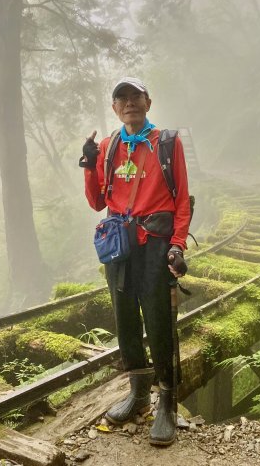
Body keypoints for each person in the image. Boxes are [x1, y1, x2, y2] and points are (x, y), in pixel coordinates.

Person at [80, 76, 190, 446]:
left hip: (156, 245)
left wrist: (177, 246)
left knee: (159, 320)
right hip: (118, 245)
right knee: (125, 318)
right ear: (114, 108)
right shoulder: (110, 147)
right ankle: (139, 394)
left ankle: (167, 403)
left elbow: (183, 200)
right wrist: (88, 164)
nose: (129, 103)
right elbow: (97, 202)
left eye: (135, 96)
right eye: (121, 98)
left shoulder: (167, 143)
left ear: (148, 102)